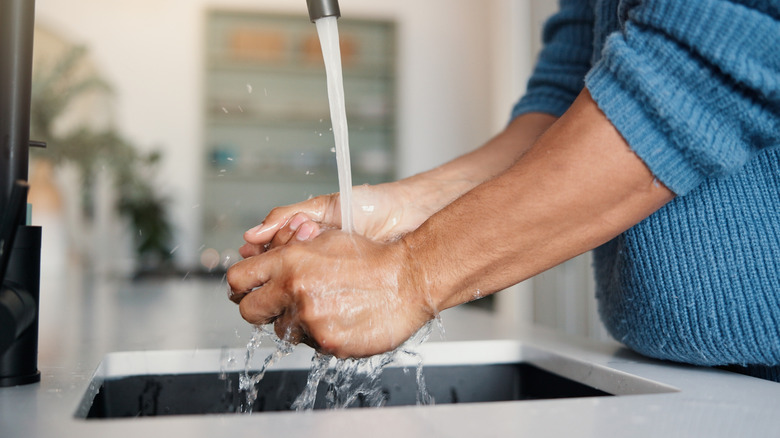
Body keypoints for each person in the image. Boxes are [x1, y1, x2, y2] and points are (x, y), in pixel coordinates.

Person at [227, 0, 780, 381]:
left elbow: (708, 62)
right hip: (663, 373)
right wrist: (398, 213)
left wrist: (409, 275)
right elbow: (565, 100)